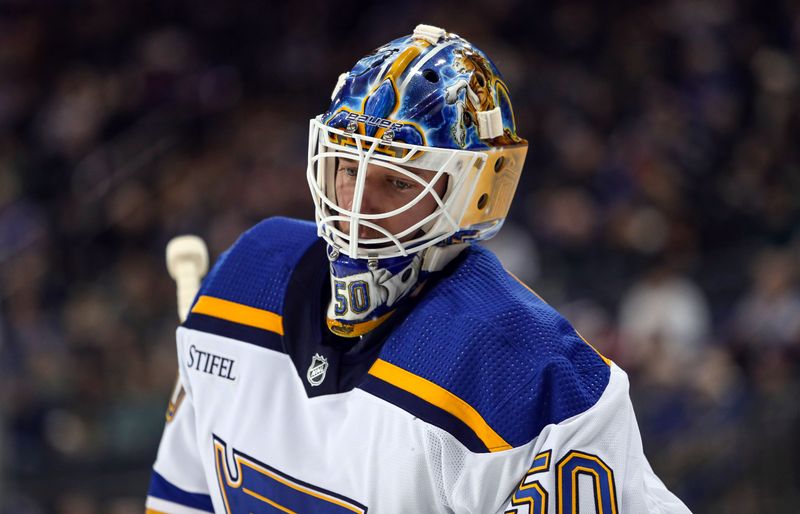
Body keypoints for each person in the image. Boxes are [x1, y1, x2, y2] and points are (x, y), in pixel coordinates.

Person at [145, 24, 690, 513]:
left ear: (474, 194)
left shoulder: (527, 374)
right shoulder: (241, 282)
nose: (357, 203)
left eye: (399, 181)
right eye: (347, 167)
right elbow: (182, 499)